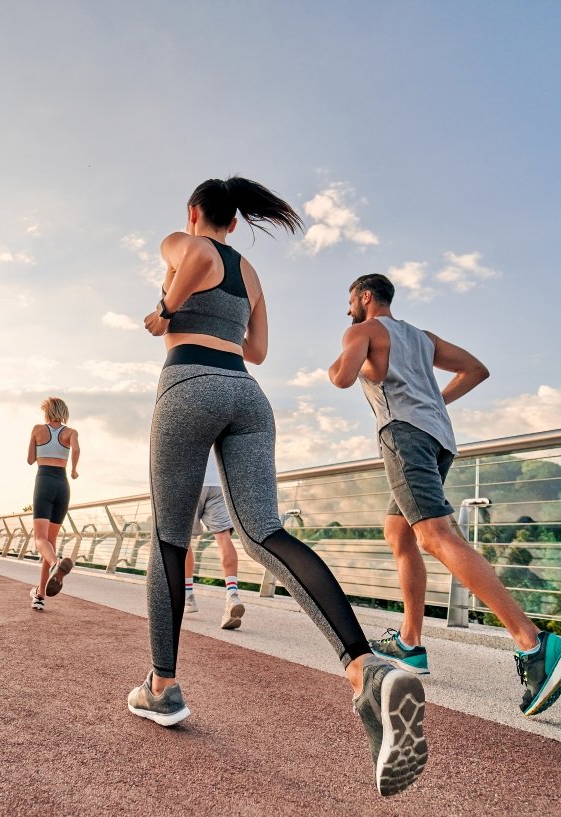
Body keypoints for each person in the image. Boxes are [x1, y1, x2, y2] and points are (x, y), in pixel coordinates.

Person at [127, 177, 427, 797]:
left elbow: (170, 307)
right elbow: (257, 350)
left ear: (195, 213)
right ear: (236, 222)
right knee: (265, 532)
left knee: (169, 540)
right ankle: (365, 668)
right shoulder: (253, 274)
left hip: (189, 384)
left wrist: (160, 313)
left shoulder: (184, 242)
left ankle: (162, 687)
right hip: (247, 395)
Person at [326, 273, 561, 717]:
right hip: (438, 438)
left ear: (365, 297)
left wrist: (348, 355)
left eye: (350, 300)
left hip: (403, 436)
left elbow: (341, 378)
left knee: (435, 536)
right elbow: (476, 370)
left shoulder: (363, 330)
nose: (347, 308)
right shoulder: (422, 338)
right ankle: (410, 642)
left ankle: (534, 642)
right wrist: (435, 401)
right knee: (400, 534)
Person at [25, 397, 79, 611]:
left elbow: (30, 459)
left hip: (45, 481)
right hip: (63, 485)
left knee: (40, 539)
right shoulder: (71, 432)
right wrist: (74, 469)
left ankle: (57, 564)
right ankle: (39, 594)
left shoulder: (38, 430)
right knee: (50, 543)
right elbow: (75, 450)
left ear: (47, 412)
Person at [183, 450, 245, 630]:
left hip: (191, 482)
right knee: (223, 537)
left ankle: (188, 597)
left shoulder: (183, 423)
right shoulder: (219, 421)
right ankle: (232, 594)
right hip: (218, 484)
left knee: (183, 540)